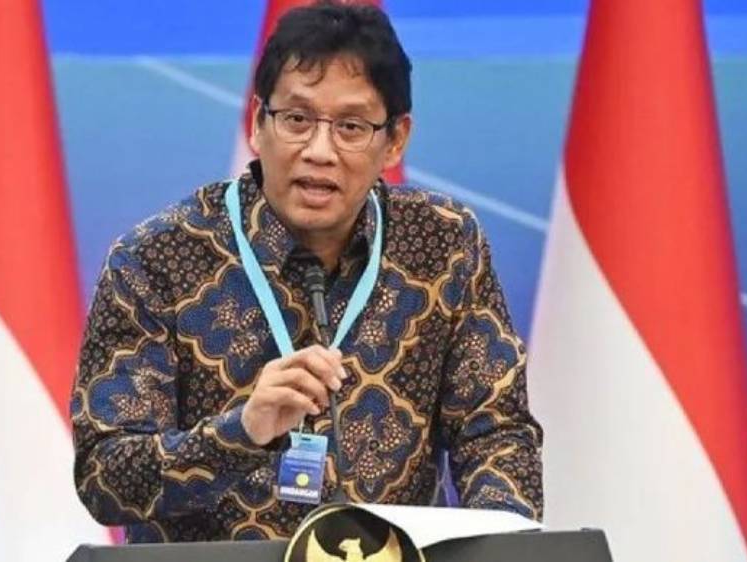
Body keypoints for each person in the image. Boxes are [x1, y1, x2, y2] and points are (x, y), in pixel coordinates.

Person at [71, 1, 542, 543]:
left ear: (395, 140)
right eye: (296, 120)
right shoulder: (157, 259)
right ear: (258, 123)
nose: (319, 151)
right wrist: (240, 432)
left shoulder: (442, 245)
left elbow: (496, 433)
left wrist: (501, 546)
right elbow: (104, 477)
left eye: (351, 127)